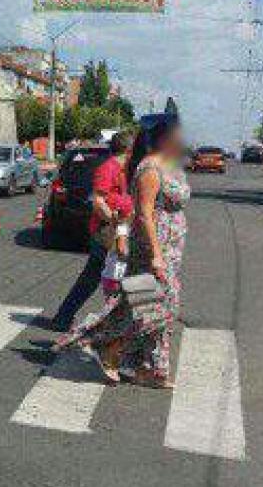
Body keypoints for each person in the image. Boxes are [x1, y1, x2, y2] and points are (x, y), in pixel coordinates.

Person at [54, 111, 191, 388]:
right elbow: (144, 214)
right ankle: (108, 345)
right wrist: (155, 254)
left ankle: (149, 368)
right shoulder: (149, 168)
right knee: (156, 308)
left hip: (171, 251)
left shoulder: (170, 166)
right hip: (151, 250)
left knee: (148, 307)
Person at [50, 128, 137, 331]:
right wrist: (114, 220)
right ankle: (69, 319)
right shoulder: (108, 168)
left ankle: (65, 317)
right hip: (108, 231)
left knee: (98, 278)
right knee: (104, 278)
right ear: (129, 149)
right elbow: (98, 201)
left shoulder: (126, 170)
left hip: (119, 229)